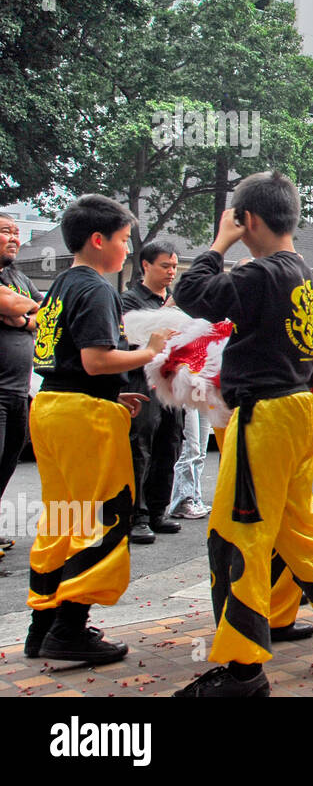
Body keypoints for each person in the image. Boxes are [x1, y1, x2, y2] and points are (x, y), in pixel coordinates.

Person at [173, 172, 313, 696]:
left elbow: (192, 293)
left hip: (265, 418)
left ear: (245, 219)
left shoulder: (262, 274)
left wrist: (217, 243)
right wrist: (292, 380)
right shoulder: (309, 282)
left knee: (237, 536)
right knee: (295, 531)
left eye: (235, 222)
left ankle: (243, 670)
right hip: (297, 411)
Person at [25, 195, 170, 664]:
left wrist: (110, 393)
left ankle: (42, 626)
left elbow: (70, 361)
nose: (127, 250)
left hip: (51, 406)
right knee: (102, 518)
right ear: (98, 240)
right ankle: (71, 631)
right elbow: (95, 359)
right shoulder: (96, 288)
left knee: (63, 518)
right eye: (125, 240)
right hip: (81, 417)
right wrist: (150, 351)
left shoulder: (61, 285)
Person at [122, 241, 185, 545]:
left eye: (174, 266)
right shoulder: (129, 301)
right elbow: (133, 339)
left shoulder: (175, 300)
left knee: (170, 445)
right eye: (165, 266)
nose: (171, 272)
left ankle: (159, 510)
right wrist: (167, 312)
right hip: (141, 382)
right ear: (145, 265)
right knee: (140, 448)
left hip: (172, 383)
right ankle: (138, 516)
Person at [0, 214, 40, 563]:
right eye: (5, 232)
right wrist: (22, 310)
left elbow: (45, 312)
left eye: (16, 232)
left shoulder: (19, 276)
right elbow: (11, 303)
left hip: (18, 391)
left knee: (7, 464)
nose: (14, 238)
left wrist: (23, 320)